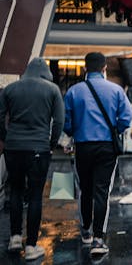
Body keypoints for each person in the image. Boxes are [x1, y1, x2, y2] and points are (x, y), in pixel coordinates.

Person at [63, 52, 132, 255]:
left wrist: (74, 131)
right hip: (106, 147)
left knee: (85, 189)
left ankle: (85, 232)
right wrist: (115, 129)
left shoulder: (73, 91)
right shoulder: (116, 90)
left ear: (85, 68)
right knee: (102, 191)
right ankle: (98, 239)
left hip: (83, 146)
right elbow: (126, 118)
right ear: (104, 69)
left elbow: (67, 122)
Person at [0, 58, 65, 260]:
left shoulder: (10, 89)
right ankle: (30, 247)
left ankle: (15, 238)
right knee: (35, 195)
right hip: (39, 148)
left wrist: (7, 138)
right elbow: (59, 122)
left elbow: (0, 117)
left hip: (13, 147)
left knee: (16, 191)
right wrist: (52, 144)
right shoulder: (52, 90)